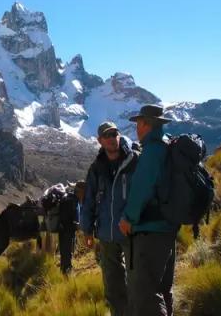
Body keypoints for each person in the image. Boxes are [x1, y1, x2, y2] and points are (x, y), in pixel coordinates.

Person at [119, 104, 179, 316]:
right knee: (163, 288)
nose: (136, 128)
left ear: (145, 124)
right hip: (167, 228)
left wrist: (128, 218)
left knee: (144, 291)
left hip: (150, 231)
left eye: (138, 123)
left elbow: (141, 188)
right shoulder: (166, 145)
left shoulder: (152, 150)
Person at [80, 121, 139, 316]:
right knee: (112, 285)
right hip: (106, 233)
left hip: (131, 232)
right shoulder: (97, 168)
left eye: (115, 134)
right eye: (107, 136)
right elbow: (88, 200)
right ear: (100, 141)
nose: (112, 138)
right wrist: (87, 230)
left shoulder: (134, 161)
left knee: (137, 282)